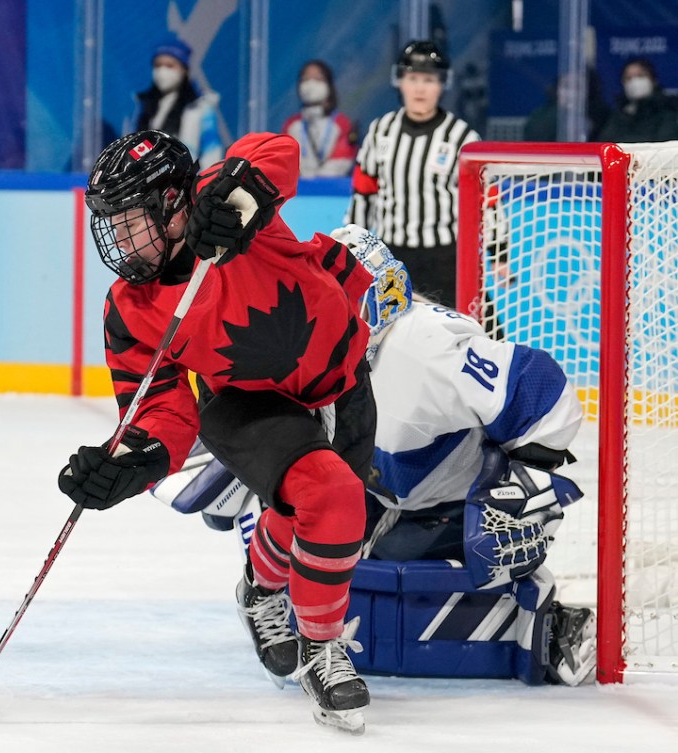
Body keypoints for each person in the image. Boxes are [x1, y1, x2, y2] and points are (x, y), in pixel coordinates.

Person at [57, 129, 387, 734]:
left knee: (312, 517)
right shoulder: (129, 308)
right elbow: (157, 408)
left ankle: (260, 591)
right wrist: (129, 462)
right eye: (114, 226)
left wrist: (240, 194)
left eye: (133, 221)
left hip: (344, 382)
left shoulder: (222, 196)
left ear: (175, 204)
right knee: (331, 495)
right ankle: (321, 648)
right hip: (246, 406)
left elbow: (277, 152)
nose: (122, 242)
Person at [153, 241, 597, 687]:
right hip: (371, 484)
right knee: (287, 509)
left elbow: (544, 393)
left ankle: (541, 622)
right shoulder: (298, 346)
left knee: (415, 566)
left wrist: (521, 492)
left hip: (447, 501)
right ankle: (262, 593)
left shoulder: (425, 350)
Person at [345, 41, 480, 308]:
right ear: (400, 81)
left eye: (428, 79)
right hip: (391, 257)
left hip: (445, 261)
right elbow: (364, 192)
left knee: (463, 333)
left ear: (441, 84)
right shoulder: (380, 131)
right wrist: (352, 243)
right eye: (413, 78)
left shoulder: (462, 137)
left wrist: (499, 254)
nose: (420, 88)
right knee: (388, 336)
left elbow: (485, 202)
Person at [130, 35, 224, 166]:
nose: (162, 71)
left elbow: (212, 153)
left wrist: (201, 184)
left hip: (187, 181)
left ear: (184, 70)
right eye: (158, 65)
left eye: (170, 66)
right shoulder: (145, 106)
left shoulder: (200, 108)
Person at [281, 59, 357, 177]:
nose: (311, 83)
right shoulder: (291, 124)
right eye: (306, 79)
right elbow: (285, 158)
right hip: (298, 189)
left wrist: (318, 182)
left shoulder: (342, 123)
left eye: (318, 79)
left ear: (328, 85)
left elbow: (343, 158)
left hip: (330, 190)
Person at [595, 58, 678, 144]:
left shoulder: (667, 111)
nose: (634, 82)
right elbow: (604, 143)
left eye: (640, 76)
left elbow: (666, 144)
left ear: (653, 80)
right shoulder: (618, 115)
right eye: (628, 78)